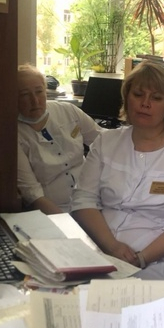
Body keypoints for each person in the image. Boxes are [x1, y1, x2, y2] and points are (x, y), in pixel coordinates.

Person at [71, 60, 164, 280]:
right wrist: (111, 246)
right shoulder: (105, 142)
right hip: (98, 249)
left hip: (154, 264)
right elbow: (83, 200)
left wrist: (140, 258)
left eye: (156, 98)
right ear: (126, 98)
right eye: (138, 94)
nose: (145, 103)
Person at [17, 63, 102, 215]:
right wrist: (66, 223)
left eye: (39, 92)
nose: (35, 101)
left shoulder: (68, 111)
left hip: (93, 198)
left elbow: (103, 141)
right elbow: (33, 194)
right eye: (24, 95)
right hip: (56, 209)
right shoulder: (13, 135)